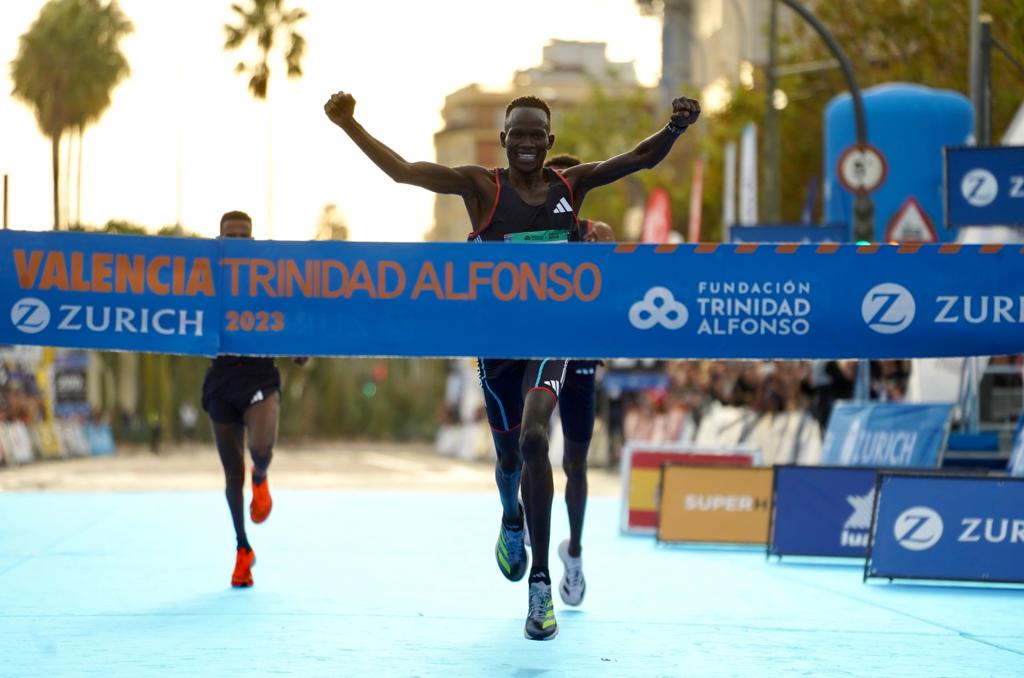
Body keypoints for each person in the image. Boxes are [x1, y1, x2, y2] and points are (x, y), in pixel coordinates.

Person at [324, 91, 700, 640]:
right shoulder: (482, 188)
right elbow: (405, 173)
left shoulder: (571, 187)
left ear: (551, 141)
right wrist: (349, 124)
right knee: (507, 459)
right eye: (517, 134)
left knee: (534, 441)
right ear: (504, 141)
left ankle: (540, 585)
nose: (526, 143)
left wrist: (674, 128)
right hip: (495, 347)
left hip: (552, 337)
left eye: (536, 134)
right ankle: (509, 517)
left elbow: (636, 159)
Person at [202, 210, 308, 588]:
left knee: (260, 450)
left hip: (260, 377)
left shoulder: (269, 281)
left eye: (244, 235)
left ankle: (261, 475)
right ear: (218, 239)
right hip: (221, 382)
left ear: (253, 239)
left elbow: (288, 321)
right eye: (230, 235)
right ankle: (242, 549)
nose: (237, 240)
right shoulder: (206, 282)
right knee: (232, 476)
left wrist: (299, 348)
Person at [534, 153, 615, 607]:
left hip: (581, 357)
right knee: (532, 445)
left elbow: (611, 289)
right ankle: (526, 517)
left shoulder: (596, 234)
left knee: (576, 462)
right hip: (539, 354)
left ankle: (576, 554)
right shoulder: (527, 232)